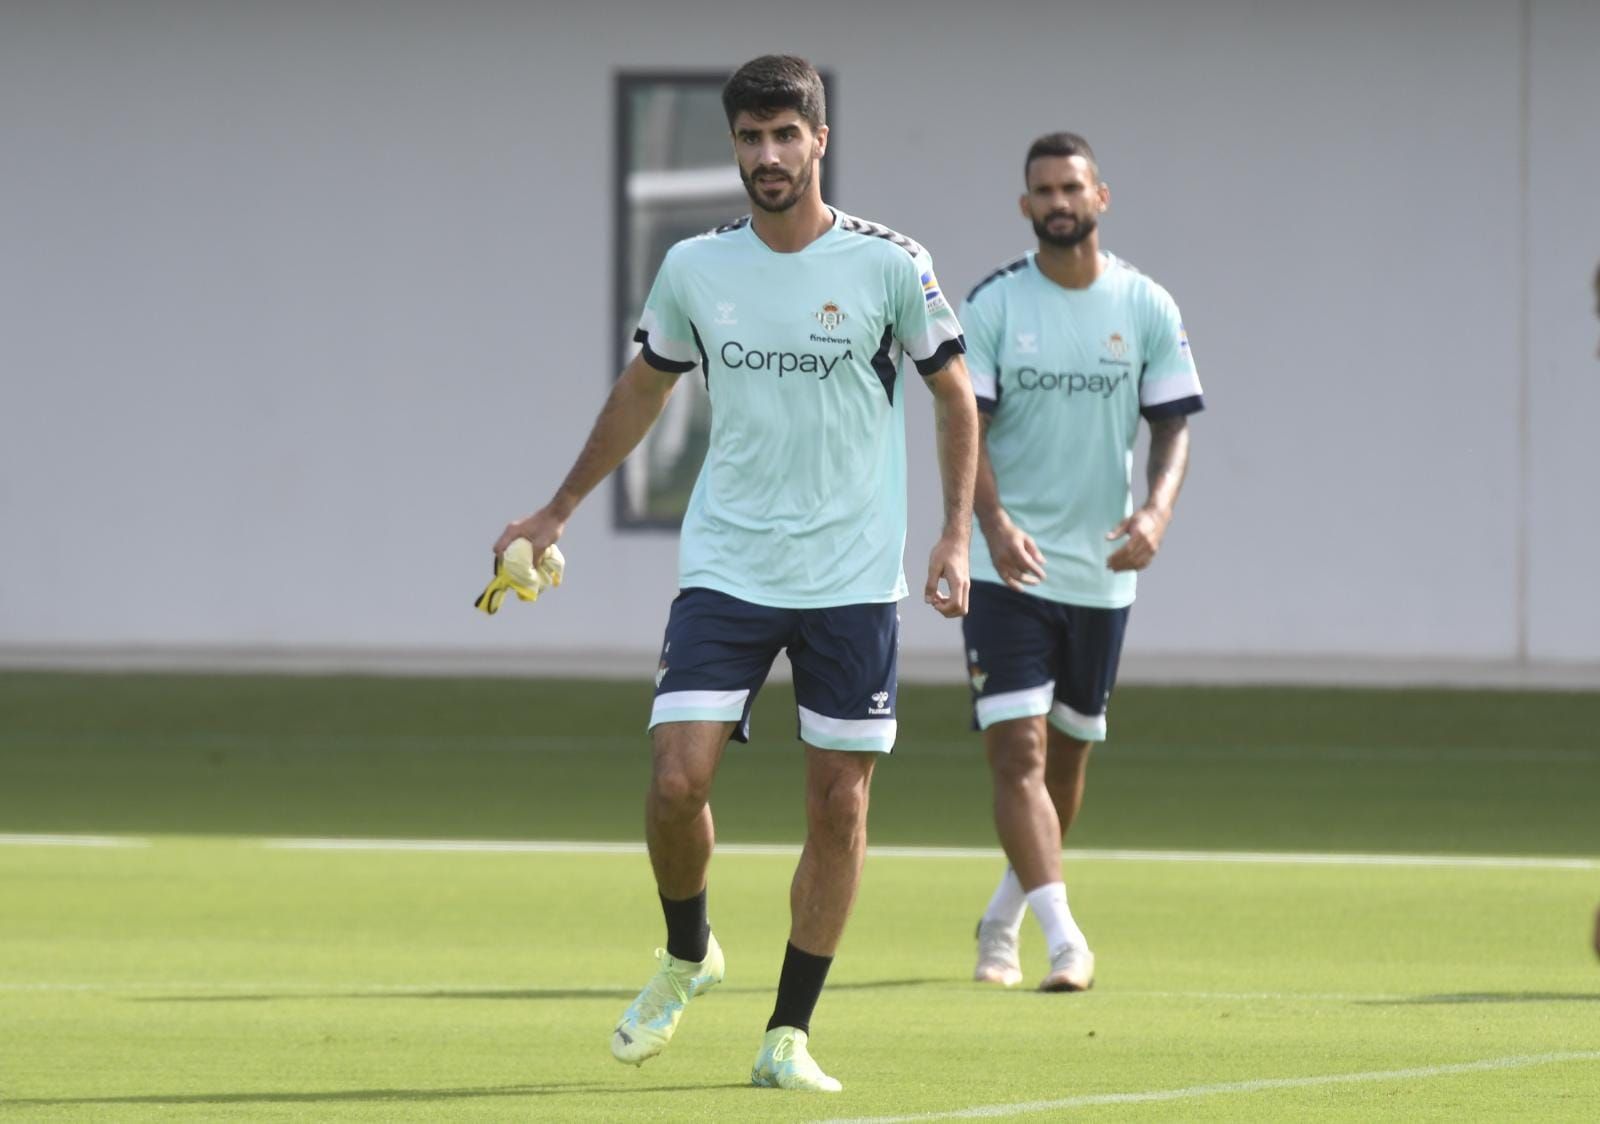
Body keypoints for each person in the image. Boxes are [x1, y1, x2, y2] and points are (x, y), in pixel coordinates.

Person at [494, 55, 977, 1091]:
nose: (766, 155)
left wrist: (952, 537)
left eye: (783, 136)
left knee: (838, 804)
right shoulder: (693, 268)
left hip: (851, 574)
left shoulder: (892, 264)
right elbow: (642, 390)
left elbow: (954, 396)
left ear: (818, 140)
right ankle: (687, 950)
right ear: (736, 147)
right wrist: (556, 506)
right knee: (676, 780)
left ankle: (788, 1033)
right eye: (749, 138)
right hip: (729, 561)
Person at [958, 132, 1204, 991]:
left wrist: (1158, 512)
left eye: (1071, 186)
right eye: (1042, 190)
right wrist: (989, 524)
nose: (1058, 201)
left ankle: (1001, 916)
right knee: (1016, 759)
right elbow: (967, 429)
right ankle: (1065, 940)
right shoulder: (992, 306)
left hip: (1102, 575)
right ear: (1025, 207)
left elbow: (1173, 422)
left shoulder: (1145, 306)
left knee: (1064, 773)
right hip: (1011, 573)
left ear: (1102, 196)